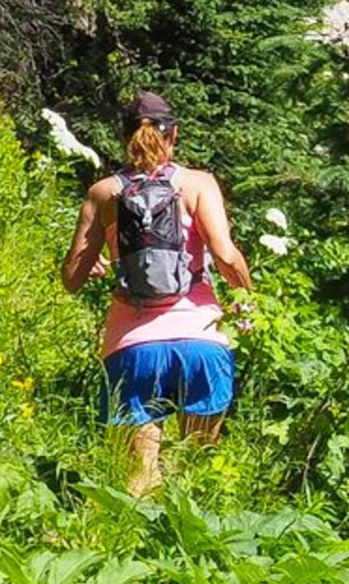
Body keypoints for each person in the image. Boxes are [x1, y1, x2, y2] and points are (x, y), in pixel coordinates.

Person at [57, 92, 257, 497]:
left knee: (139, 479)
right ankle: (190, 552)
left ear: (125, 136)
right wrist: (249, 298)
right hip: (201, 340)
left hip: (132, 348)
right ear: (174, 135)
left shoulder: (103, 193)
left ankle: (133, 549)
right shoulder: (198, 184)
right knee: (196, 474)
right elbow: (224, 253)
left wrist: (94, 264)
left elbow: (72, 277)